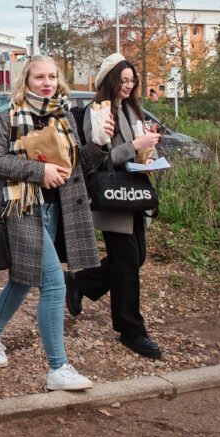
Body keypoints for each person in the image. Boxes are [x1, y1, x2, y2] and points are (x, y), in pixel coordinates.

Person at [0, 56, 111, 391]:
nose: (47, 82)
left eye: (52, 76)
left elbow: (76, 165)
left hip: (56, 211)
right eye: (40, 77)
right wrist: (40, 171)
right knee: (54, 285)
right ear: (26, 81)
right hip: (21, 210)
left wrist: (99, 144)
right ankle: (57, 368)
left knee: (23, 281)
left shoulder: (63, 116)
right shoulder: (6, 117)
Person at [66, 53, 163, 359]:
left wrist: (147, 151)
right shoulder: (96, 113)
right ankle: (132, 330)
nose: (128, 85)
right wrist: (134, 147)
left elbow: (134, 151)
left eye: (132, 80)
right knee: (127, 263)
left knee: (137, 258)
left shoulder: (132, 110)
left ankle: (80, 282)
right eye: (122, 80)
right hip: (112, 196)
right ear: (109, 80)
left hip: (133, 193)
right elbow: (95, 162)